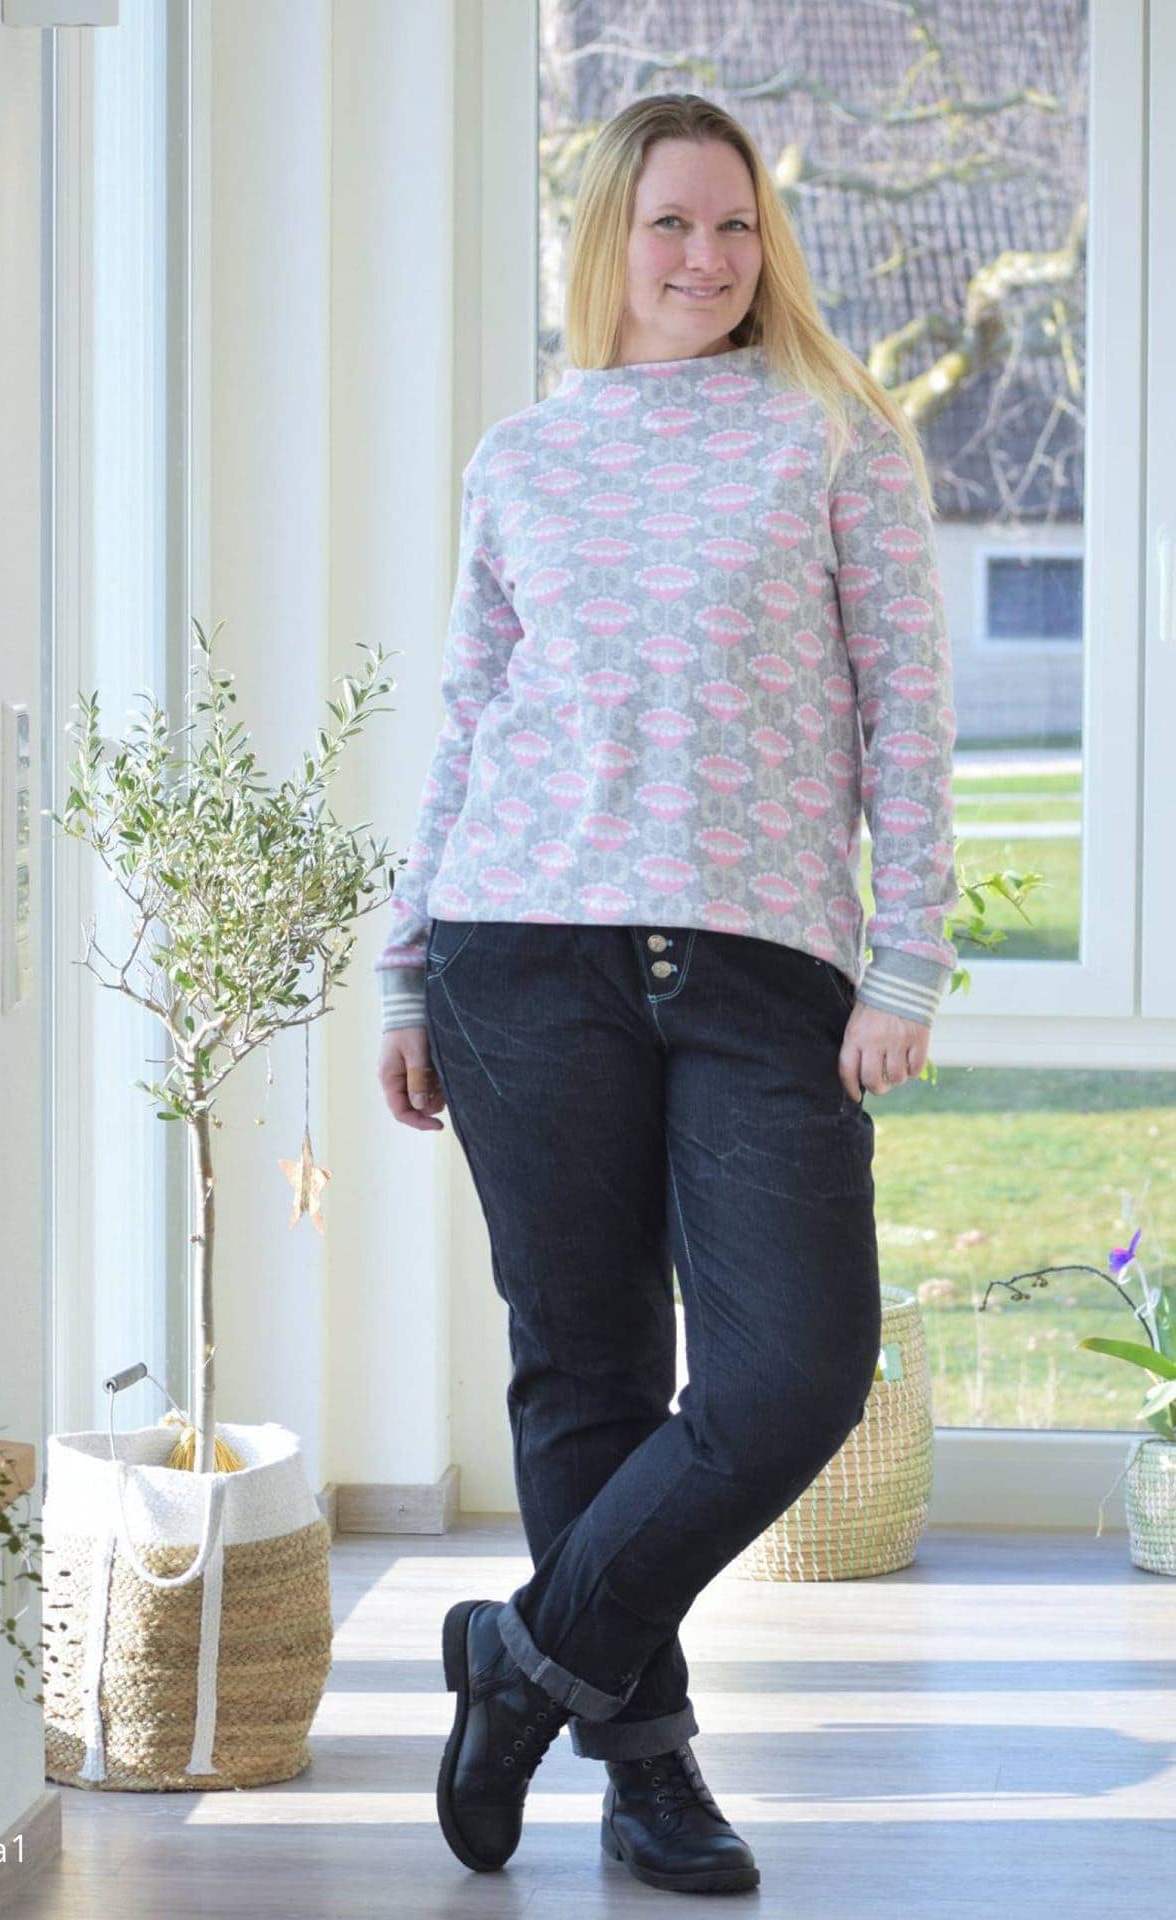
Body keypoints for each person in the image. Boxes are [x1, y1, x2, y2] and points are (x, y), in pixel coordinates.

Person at [374, 92, 957, 1896]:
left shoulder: (833, 438)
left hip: (762, 961)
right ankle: (646, 1774)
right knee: (587, 1371)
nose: (705, 258)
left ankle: (524, 1658)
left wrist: (908, 953)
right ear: (606, 241)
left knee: (793, 1372)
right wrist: (403, 969)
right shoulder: (521, 460)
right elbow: (470, 725)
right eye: (669, 225)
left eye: (733, 225)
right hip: (519, 945)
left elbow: (905, 709)